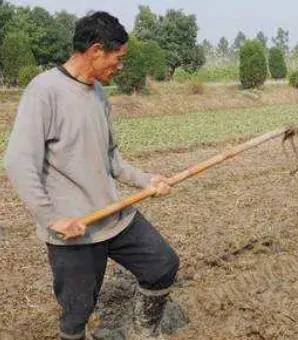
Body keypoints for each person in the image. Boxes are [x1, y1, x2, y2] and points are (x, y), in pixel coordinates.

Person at [3, 11, 179, 340]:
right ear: (96, 50)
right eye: (118, 57)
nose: (121, 65)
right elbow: (18, 162)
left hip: (114, 216)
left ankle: (144, 331)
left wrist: (146, 180)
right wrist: (51, 217)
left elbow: (110, 156)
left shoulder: (99, 93)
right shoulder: (45, 91)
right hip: (74, 230)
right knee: (77, 314)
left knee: (163, 265)